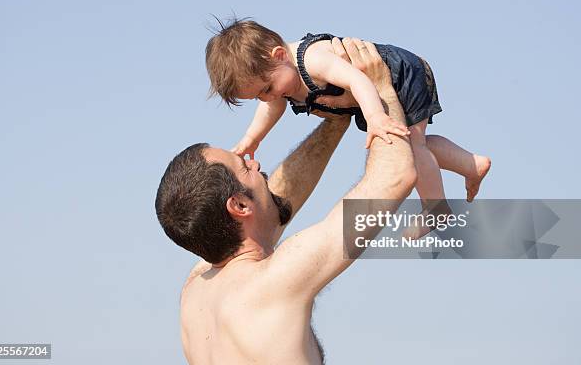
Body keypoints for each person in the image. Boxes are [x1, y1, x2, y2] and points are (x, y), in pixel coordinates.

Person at [156, 38, 416, 364]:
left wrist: (335, 119)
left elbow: (272, 203)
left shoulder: (195, 291)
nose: (255, 163)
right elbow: (394, 178)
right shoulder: (278, 279)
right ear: (238, 206)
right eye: (244, 166)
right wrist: (380, 89)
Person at [206, 19, 491, 237]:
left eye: (267, 88)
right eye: (258, 95)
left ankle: (436, 210)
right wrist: (251, 139)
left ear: (279, 55)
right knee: (416, 143)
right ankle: (471, 164)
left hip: (399, 74)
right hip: (375, 93)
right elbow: (272, 107)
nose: (268, 97)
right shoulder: (279, 80)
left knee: (411, 147)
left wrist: (376, 117)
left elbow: (358, 80)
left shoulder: (312, 59)